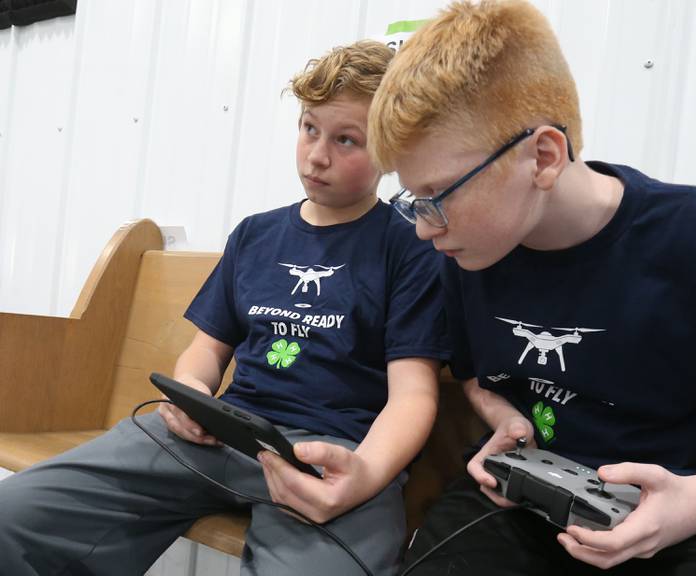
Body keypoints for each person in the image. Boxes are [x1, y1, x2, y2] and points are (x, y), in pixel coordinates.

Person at [367, 1, 696, 574]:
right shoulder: (466, 251)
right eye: (413, 200)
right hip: (520, 503)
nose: (424, 229)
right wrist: (504, 418)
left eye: (439, 196)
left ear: (544, 157)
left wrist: (693, 505)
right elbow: (474, 374)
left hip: (690, 515)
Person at [0, 39, 449, 576]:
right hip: (223, 436)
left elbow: (413, 395)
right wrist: (190, 394)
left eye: (346, 140)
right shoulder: (256, 235)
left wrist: (367, 473)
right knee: (13, 515)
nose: (317, 155)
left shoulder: (410, 246)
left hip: (326, 457)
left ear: (389, 151)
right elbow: (206, 353)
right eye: (309, 129)